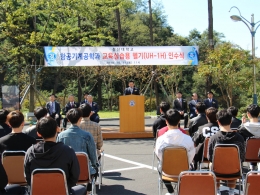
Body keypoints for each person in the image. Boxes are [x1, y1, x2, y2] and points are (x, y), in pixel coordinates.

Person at [24, 117, 87, 195]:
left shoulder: (31, 152)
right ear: (57, 129)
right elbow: (75, 176)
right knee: (83, 188)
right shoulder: (67, 151)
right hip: (62, 191)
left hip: (38, 191)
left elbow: (27, 176)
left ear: (38, 133)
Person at [155, 109, 195, 195]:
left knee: (159, 166)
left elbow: (159, 155)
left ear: (166, 122)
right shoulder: (188, 139)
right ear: (179, 121)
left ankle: (171, 191)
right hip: (185, 170)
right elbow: (191, 156)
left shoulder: (160, 140)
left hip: (167, 171)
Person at [208, 109, 245, 195]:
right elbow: (242, 158)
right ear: (231, 121)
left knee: (212, 164)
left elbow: (210, 157)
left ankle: (217, 191)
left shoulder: (213, 138)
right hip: (235, 171)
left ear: (218, 122)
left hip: (217, 171)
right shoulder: (239, 138)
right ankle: (231, 191)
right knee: (235, 162)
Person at [57, 108, 98, 179]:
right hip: (84, 171)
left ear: (68, 120)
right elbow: (92, 155)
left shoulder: (61, 136)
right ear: (80, 118)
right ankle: (88, 189)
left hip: (67, 172)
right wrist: (95, 165)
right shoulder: (87, 135)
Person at [238, 104, 260, 170]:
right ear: (259, 114)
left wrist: (242, 124)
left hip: (247, 155)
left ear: (248, 114)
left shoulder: (243, 128)